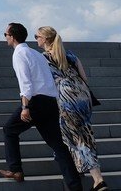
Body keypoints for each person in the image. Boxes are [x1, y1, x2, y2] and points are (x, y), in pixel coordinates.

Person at [0, 22, 83, 189]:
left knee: (9, 129)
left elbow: (26, 84)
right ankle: (75, 186)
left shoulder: (19, 54)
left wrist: (25, 107)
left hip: (35, 102)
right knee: (58, 145)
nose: (5, 38)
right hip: (50, 102)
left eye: (5, 35)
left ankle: (15, 170)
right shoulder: (36, 54)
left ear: (13, 37)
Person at [37, 26, 107, 190]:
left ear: (46, 39)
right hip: (82, 96)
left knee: (80, 139)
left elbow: (45, 83)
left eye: (37, 36)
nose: (36, 39)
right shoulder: (70, 55)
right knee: (75, 133)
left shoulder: (44, 58)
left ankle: (98, 180)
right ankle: (79, 167)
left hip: (65, 98)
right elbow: (84, 78)